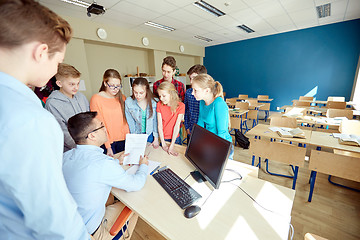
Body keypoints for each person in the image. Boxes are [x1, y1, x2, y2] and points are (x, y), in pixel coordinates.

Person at [0, 0, 89, 239]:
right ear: (41, 53)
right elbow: (55, 221)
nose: (55, 70)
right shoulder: (31, 120)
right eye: (57, 62)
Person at [63, 111, 149, 240]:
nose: (105, 128)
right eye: (102, 126)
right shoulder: (103, 163)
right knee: (135, 205)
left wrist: (116, 162)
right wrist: (144, 165)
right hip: (90, 233)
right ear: (92, 135)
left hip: (69, 225)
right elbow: (135, 184)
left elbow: (91, 170)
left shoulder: (66, 156)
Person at [45, 63, 90, 152]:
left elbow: (89, 121)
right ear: (59, 83)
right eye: (71, 84)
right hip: (70, 151)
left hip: (89, 146)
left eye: (78, 83)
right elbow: (62, 132)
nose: (76, 87)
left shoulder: (81, 97)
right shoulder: (52, 103)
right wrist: (81, 148)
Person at [191, 74, 234, 159]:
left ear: (206, 91)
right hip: (210, 144)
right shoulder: (202, 102)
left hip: (222, 146)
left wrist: (215, 152)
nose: (192, 93)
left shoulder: (218, 103)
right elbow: (200, 127)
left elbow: (221, 133)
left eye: (195, 90)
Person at [90, 69, 129, 157]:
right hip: (108, 143)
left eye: (118, 86)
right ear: (105, 83)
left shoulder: (122, 98)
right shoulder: (96, 99)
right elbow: (100, 125)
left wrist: (129, 140)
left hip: (124, 140)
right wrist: (108, 146)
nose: (115, 89)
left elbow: (125, 121)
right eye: (112, 85)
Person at [125, 77, 159, 148]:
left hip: (150, 134)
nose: (138, 96)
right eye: (135, 92)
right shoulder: (128, 102)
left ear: (147, 90)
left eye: (141, 93)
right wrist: (134, 137)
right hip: (137, 134)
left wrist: (156, 139)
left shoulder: (154, 102)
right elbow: (131, 122)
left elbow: (155, 121)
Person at [156, 82, 185, 156]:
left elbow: (177, 126)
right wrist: (163, 143)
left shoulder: (181, 106)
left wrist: (172, 145)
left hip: (175, 139)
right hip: (163, 139)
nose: (161, 98)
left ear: (171, 94)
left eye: (164, 96)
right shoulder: (159, 104)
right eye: (160, 96)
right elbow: (159, 125)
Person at [184, 64, 207, 141]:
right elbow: (186, 110)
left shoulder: (207, 95)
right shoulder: (188, 92)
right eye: (190, 78)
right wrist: (187, 126)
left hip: (204, 132)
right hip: (191, 129)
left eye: (194, 78)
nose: (191, 81)